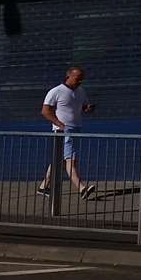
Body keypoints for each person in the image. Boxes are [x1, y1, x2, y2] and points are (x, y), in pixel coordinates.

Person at [38, 65, 97, 199]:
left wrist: (88, 108)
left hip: (76, 129)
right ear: (68, 77)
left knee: (60, 160)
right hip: (63, 131)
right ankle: (82, 189)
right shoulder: (56, 91)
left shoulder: (81, 91)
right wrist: (59, 124)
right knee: (71, 160)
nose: (80, 81)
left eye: (81, 79)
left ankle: (43, 187)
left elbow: (82, 107)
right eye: (77, 79)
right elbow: (45, 111)